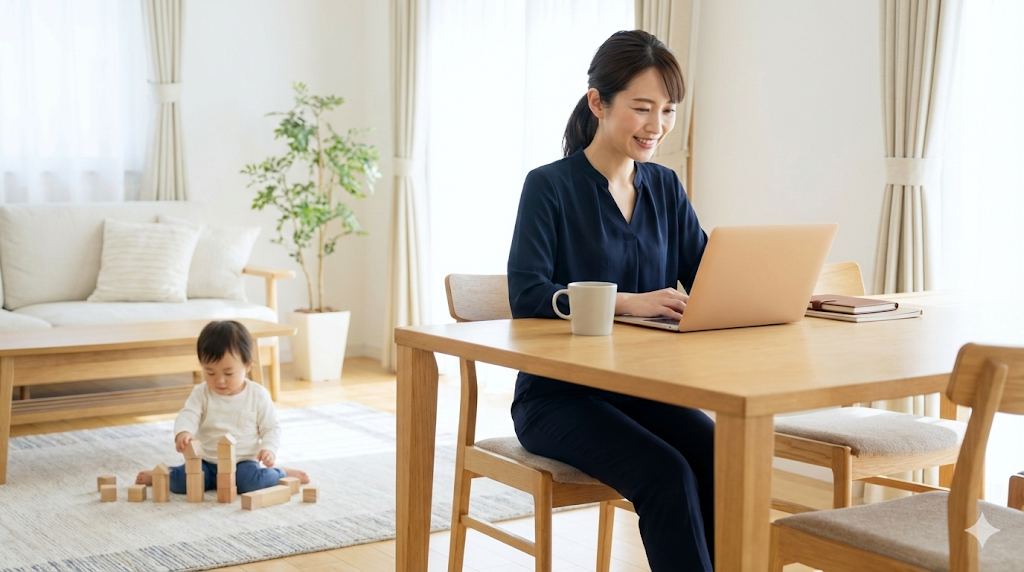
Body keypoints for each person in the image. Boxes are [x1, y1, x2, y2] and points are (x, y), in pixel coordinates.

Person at [507, 30, 713, 571]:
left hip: (645, 390)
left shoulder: (666, 187)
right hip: (557, 399)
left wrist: (786, 289)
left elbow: (710, 276)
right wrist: (630, 302)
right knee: (666, 474)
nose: (657, 126)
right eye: (642, 108)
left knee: (719, 455)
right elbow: (528, 293)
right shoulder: (549, 187)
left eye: (667, 110)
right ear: (599, 102)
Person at [136, 320, 308, 494]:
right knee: (183, 483)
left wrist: (269, 448)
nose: (219, 380)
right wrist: (184, 432)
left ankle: (281, 473)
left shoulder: (258, 395)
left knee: (249, 484)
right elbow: (188, 415)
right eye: (210, 372)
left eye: (228, 373)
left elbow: (271, 427)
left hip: (242, 463)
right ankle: (162, 474)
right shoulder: (201, 393)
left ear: (248, 366)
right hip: (207, 462)